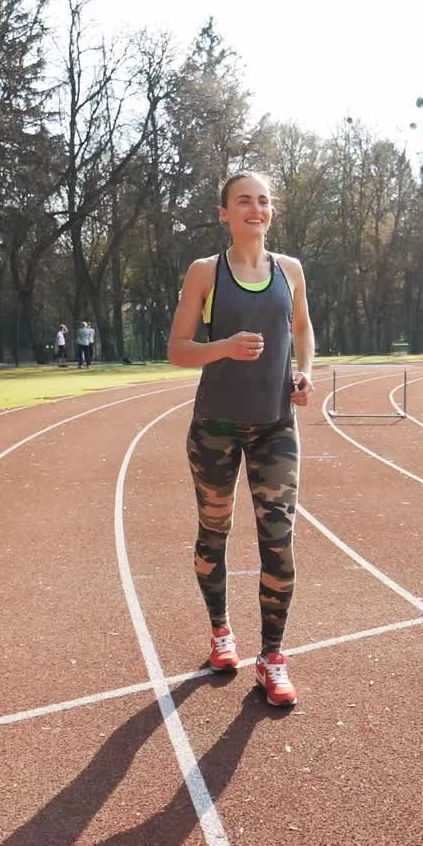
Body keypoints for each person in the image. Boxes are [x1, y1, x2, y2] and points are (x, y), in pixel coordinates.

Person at [167, 171, 315, 707]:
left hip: (276, 424)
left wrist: (303, 372)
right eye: (244, 201)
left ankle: (272, 657)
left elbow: (301, 328)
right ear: (224, 213)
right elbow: (178, 349)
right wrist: (223, 347)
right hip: (216, 428)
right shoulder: (206, 272)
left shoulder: (290, 270)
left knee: (279, 540)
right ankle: (221, 633)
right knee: (215, 532)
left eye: (263, 201)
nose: (256, 209)